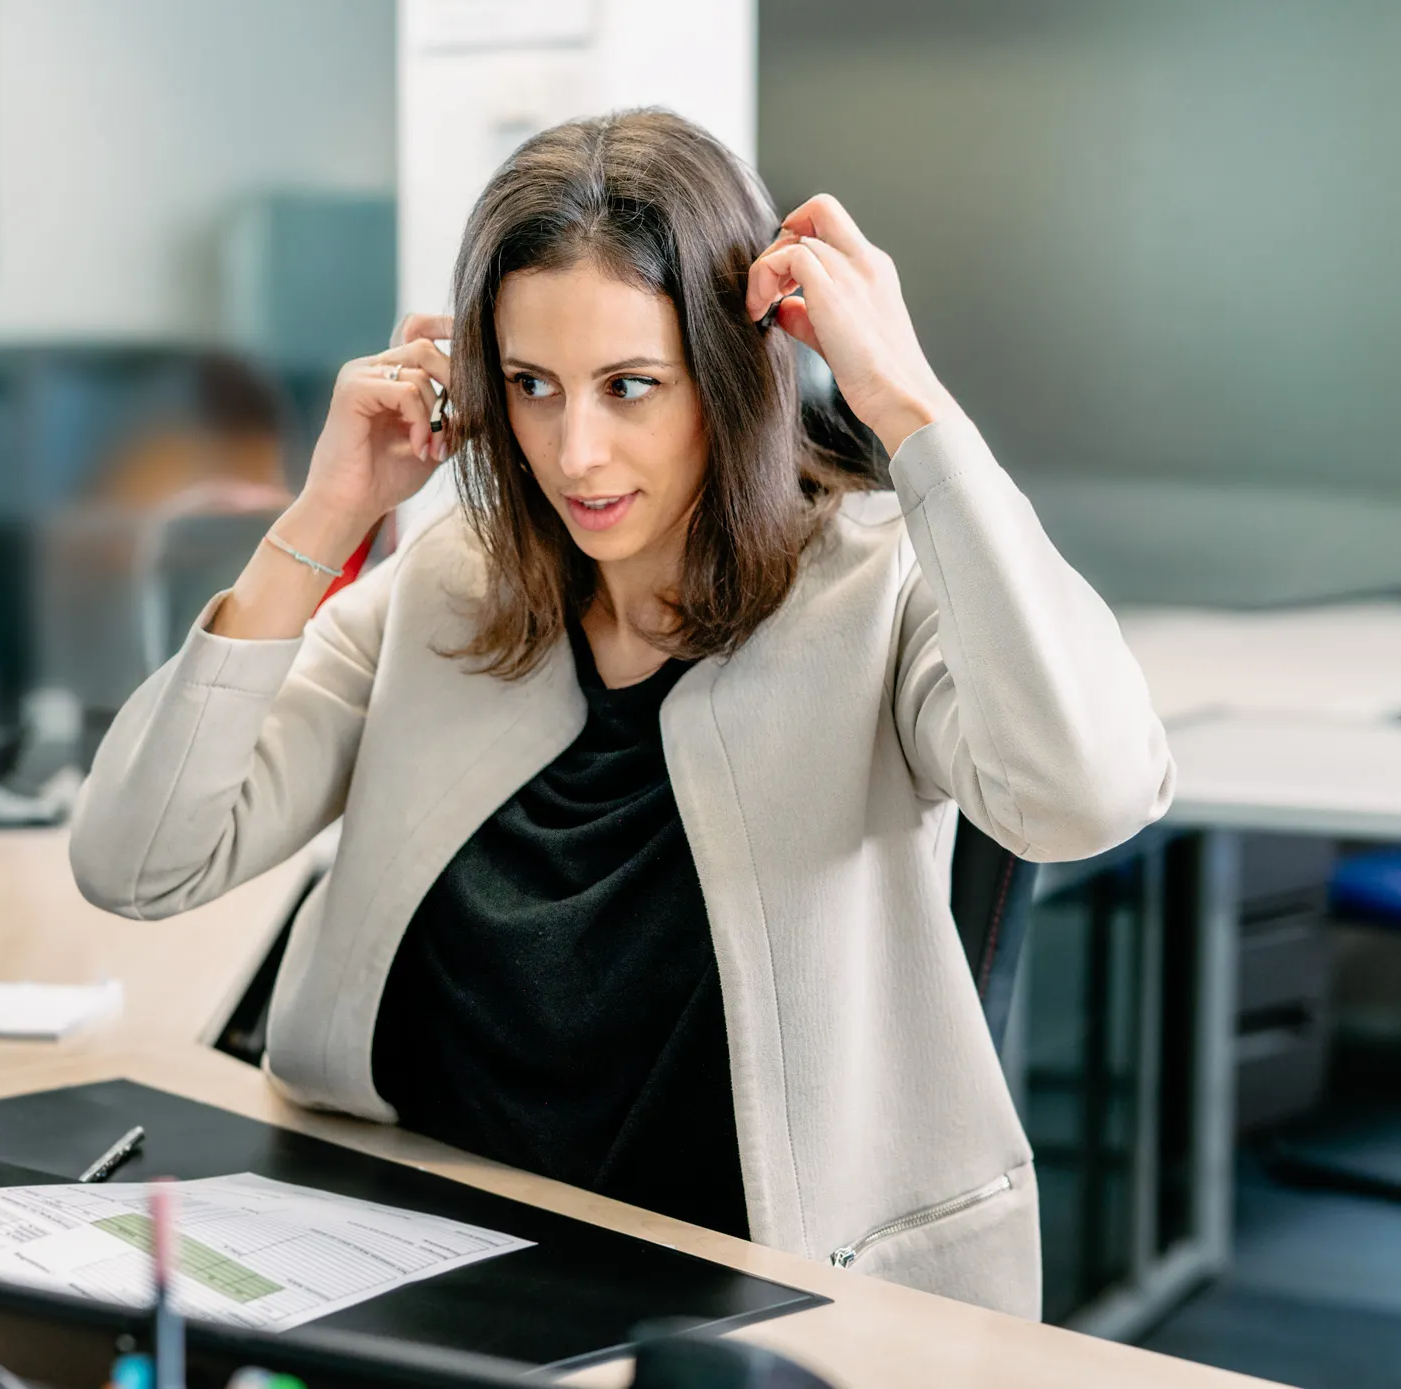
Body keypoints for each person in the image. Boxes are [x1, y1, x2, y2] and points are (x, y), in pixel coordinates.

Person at [69, 109, 1173, 1318]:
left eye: (630, 386)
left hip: (743, 1303)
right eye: (532, 387)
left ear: (733, 375)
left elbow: (1083, 796)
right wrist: (331, 511)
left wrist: (909, 405)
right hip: (400, 1245)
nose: (575, 453)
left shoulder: (877, 592)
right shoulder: (454, 581)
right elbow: (139, 862)